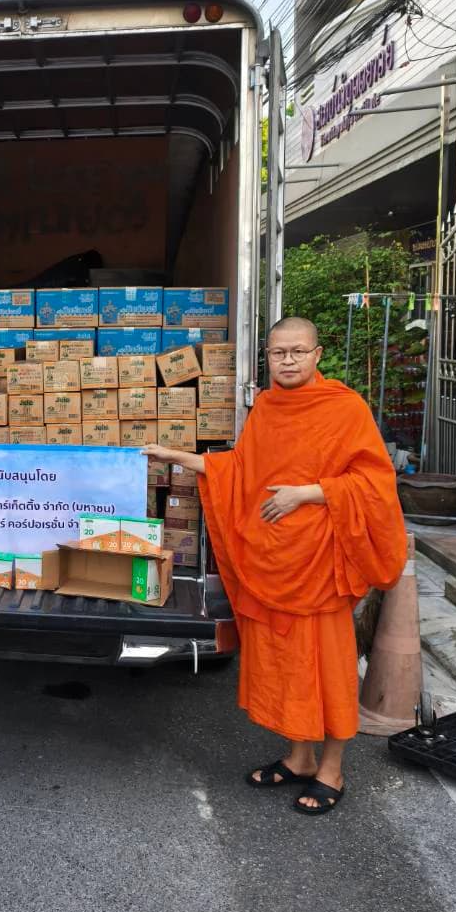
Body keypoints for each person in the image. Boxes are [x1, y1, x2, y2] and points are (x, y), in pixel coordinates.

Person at [144, 316, 406, 817]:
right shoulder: (265, 407)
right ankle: (300, 757)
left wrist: (308, 493)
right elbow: (240, 469)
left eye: (297, 351)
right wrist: (172, 454)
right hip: (272, 558)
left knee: (325, 668)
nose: (287, 361)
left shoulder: (344, 408)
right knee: (286, 664)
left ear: (318, 354)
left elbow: (375, 482)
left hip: (321, 565)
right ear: (267, 357)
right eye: (278, 353)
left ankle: (332, 767)